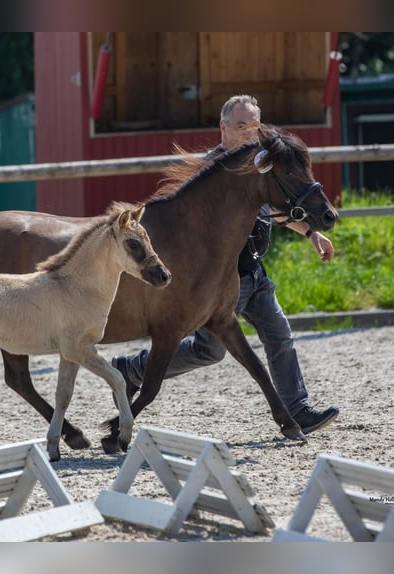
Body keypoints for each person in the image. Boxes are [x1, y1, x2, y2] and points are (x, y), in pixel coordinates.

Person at [112, 94, 339, 435]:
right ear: (223, 127)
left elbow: (278, 209)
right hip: (216, 281)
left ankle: (297, 409)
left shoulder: (262, 163)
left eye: (254, 126)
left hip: (252, 271)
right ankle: (135, 369)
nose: (249, 133)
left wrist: (311, 234)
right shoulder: (210, 172)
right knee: (210, 351)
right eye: (241, 126)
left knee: (279, 334)